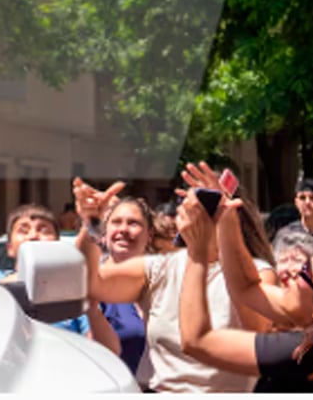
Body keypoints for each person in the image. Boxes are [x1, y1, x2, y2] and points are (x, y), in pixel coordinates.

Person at [73, 167, 276, 392]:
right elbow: (90, 285)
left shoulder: (257, 273)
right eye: (185, 200)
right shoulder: (161, 267)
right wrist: (92, 223)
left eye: (200, 202)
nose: (186, 208)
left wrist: (223, 231)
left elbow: (258, 330)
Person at [178, 188, 313, 392]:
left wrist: (197, 253)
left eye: (305, 271)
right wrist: (226, 217)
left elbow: (197, 341)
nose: (295, 271)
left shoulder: (307, 351)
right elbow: (247, 285)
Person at [0, 203, 119, 356]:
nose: (33, 236)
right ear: (10, 248)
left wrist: (90, 305)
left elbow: (107, 352)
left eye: (44, 230)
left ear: (57, 243)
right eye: (23, 230)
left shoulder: (73, 288)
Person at [97, 196, 157, 374]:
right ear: (104, 234)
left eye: (133, 223)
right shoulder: (92, 286)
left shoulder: (166, 283)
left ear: (150, 235)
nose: (123, 229)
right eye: (116, 222)